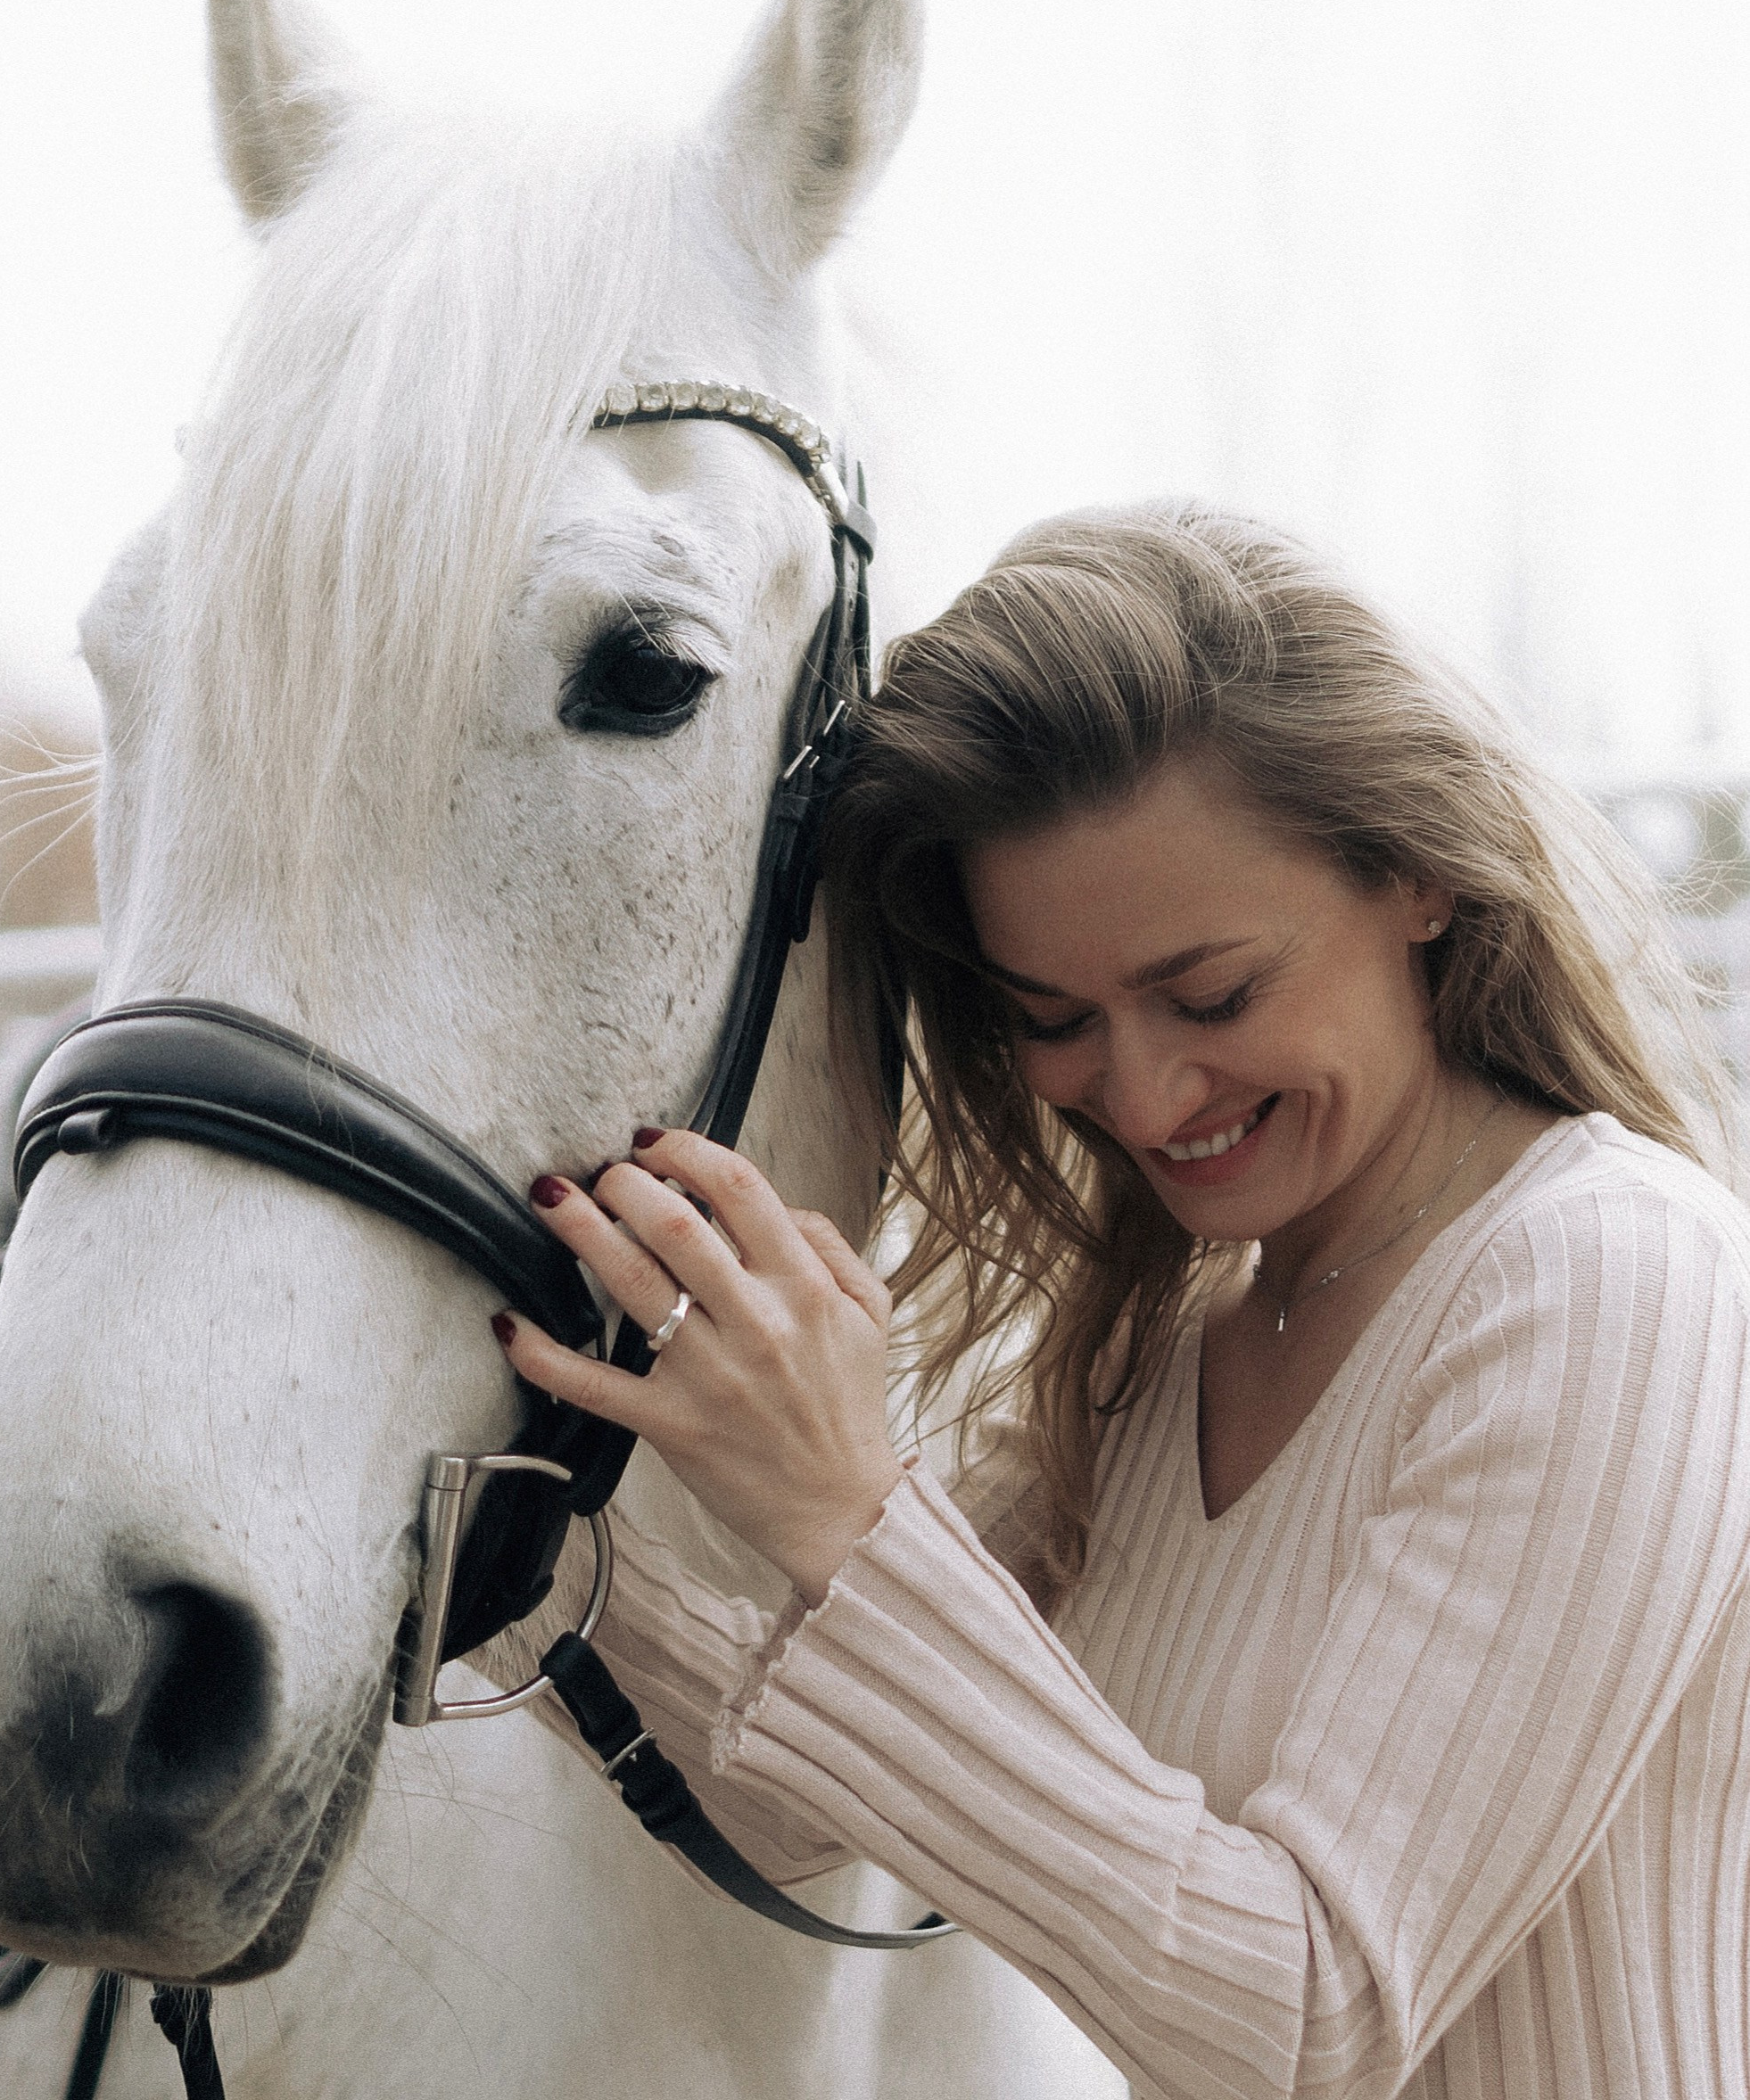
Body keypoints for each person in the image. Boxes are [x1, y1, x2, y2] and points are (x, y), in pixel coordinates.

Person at [498, 501, 1750, 2098]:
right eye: (1055, 1020)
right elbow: (791, 1800)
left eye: (1211, 994)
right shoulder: (1164, 1346)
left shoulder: (1608, 1278)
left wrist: (847, 1510)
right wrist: (489, 1518)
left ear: (1419, 878)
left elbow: (1313, 2018)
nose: (1145, 1098)